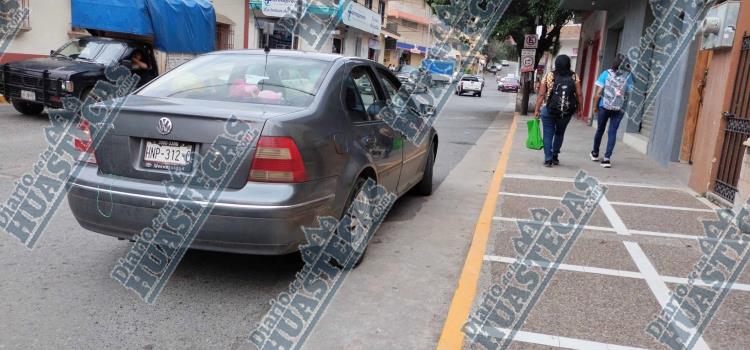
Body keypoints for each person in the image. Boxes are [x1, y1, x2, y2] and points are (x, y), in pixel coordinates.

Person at [533, 55, 583, 168]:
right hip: (565, 112)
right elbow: (579, 94)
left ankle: (548, 159)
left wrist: (537, 109)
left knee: (548, 134)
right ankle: (555, 155)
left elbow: (541, 94)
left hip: (549, 110)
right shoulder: (574, 77)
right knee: (560, 133)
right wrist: (580, 109)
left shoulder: (549, 75)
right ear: (569, 64)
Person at [590, 54, 633, 168]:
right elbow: (628, 94)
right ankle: (607, 159)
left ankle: (595, 153)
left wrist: (594, 107)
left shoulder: (605, 74)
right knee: (612, 132)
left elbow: (598, 93)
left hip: (604, 106)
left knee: (600, 130)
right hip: (619, 109)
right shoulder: (627, 77)